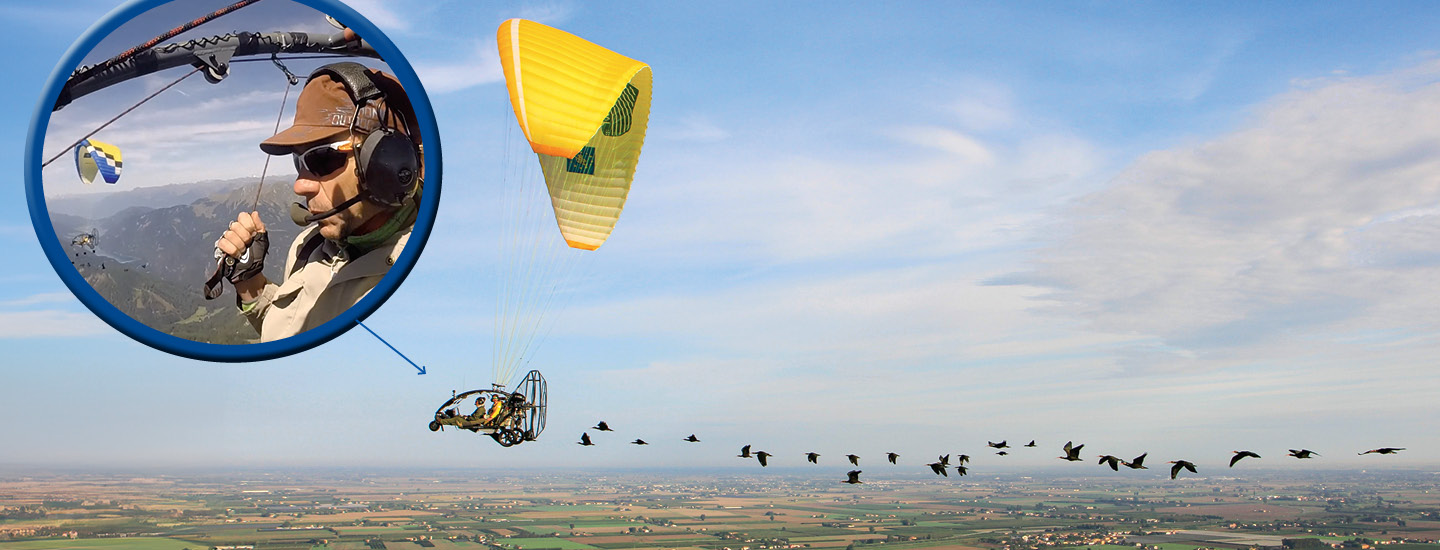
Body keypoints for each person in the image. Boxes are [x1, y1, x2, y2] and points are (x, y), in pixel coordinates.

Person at [216, 62, 423, 342]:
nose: (300, 184)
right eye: (298, 161)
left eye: (321, 159)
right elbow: (291, 332)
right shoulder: (308, 246)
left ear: (386, 161)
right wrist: (249, 281)